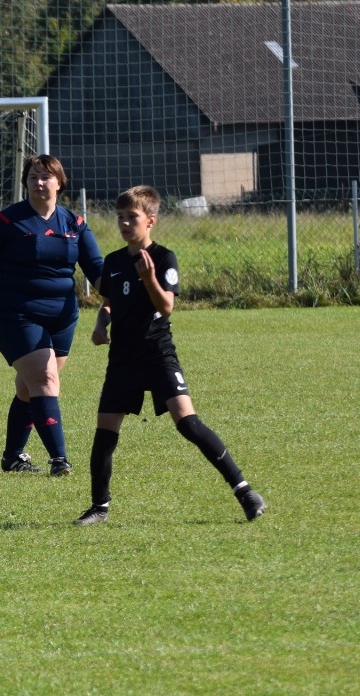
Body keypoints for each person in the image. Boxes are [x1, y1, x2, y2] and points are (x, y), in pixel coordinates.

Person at [76, 186, 266, 525]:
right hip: (123, 358)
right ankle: (98, 508)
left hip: (157, 353)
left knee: (188, 423)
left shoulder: (164, 258)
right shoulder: (114, 261)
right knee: (105, 433)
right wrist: (101, 324)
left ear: (150, 220)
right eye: (120, 217)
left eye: (131, 217)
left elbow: (166, 306)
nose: (124, 223)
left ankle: (245, 492)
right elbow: (109, 303)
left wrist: (149, 278)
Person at [0, 155, 102, 476]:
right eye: (33, 177)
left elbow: (96, 270)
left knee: (30, 387)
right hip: (14, 313)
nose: (39, 182)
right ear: (25, 182)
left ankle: (12, 457)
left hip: (62, 317)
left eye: (46, 177)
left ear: (59, 183)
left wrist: (123, 292)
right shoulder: (5, 222)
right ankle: (59, 460)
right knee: (45, 380)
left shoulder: (74, 224)